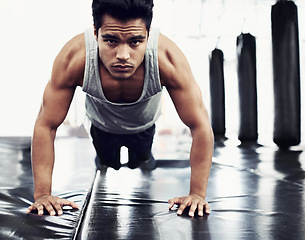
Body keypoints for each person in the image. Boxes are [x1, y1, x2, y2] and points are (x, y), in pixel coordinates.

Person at [26, 0, 214, 218]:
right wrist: (42, 194)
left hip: (144, 128)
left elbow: (199, 125)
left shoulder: (167, 60)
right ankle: (106, 159)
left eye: (135, 41)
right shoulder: (75, 58)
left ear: (149, 34)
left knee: (141, 161)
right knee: (108, 162)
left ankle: (145, 157)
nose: (123, 55)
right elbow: (46, 125)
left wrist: (197, 194)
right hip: (101, 128)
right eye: (111, 40)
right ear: (96, 33)